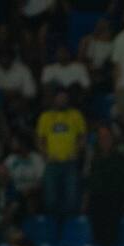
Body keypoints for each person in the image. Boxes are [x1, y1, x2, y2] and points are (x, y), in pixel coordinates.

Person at [36, 88, 86, 219]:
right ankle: (53, 229)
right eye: (59, 97)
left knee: (71, 198)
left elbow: (82, 136)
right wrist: (45, 155)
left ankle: (69, 231)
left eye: (64, 98)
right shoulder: (45, 117)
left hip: (70, 162)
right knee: (50, 199)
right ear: (54, 99)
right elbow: (40, 139)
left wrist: (76, 152)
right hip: (53, 163)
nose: (62, 100)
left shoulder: (76, 115)